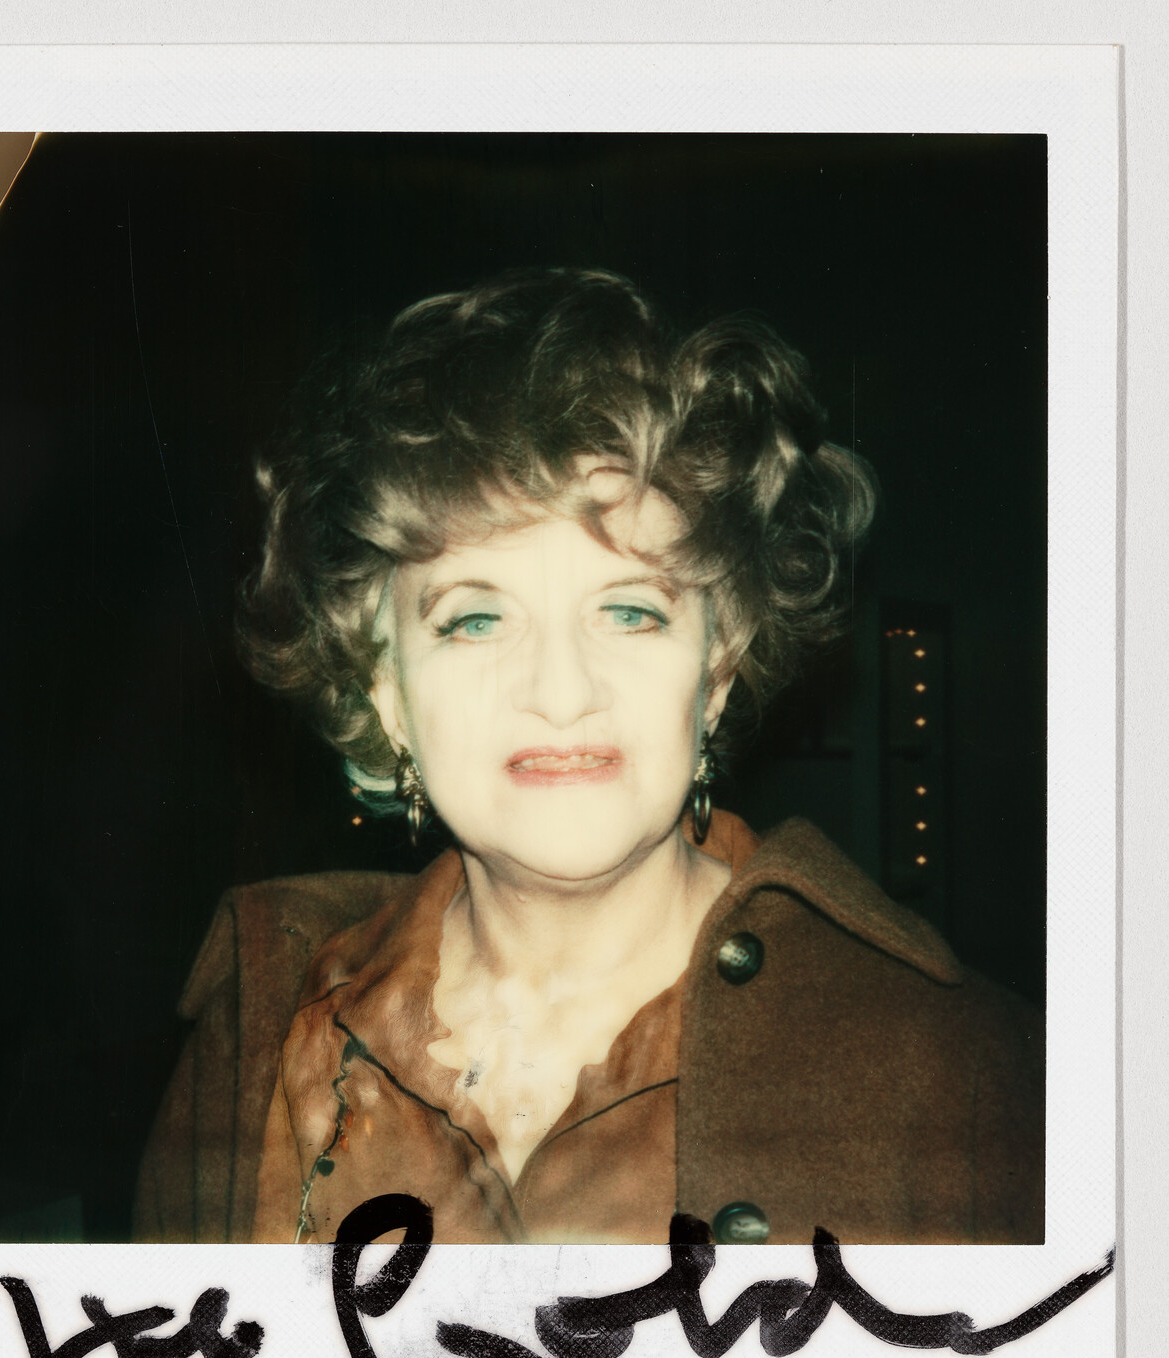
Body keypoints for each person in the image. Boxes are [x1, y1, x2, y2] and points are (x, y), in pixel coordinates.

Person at [133, 267, 1042, 1247]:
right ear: (384, 688)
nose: (561, 692)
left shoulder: (956, 1070)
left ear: (718, 665)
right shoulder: (254, 1032)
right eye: (474, 618)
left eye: (627, 611)